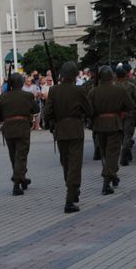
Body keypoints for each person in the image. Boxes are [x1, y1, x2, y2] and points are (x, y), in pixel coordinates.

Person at [43, 62, 92, 213]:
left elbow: (47, 113)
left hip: (60, 130)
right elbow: (89, 110)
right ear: (75, 75)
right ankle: (70, 199)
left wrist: (52, 123)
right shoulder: (79, 90)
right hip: (75, 130)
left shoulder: (53, 90)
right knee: (75, 165)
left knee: (66, 163)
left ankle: (72, 190)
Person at [0, 73, 40, 196]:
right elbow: (36, 110)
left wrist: (6, 117)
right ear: (21, 83)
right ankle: (17, 183)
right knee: (21, 156)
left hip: (9, 129)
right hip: (22, 128)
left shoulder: (4, 97)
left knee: (14, 156)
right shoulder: (27, 96)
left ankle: (22, 179)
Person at [89, 66, 135, 195]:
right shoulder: (120, 90)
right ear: (112, 76)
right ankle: (106, 183)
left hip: (99, 125)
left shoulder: (93, 91)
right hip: (115, 124)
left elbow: (89, 110)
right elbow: (130, 105)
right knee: (112, 154)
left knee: (105, 154)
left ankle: (112, 176)